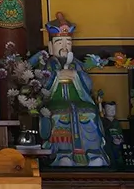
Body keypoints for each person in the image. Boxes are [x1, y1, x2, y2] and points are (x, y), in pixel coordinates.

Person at [34, 14, 108, 167]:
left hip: (78, 102)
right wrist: (56, 76)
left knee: (89, 114)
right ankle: (62, 154)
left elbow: (88, 85)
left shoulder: (77, 65)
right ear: (50, 46)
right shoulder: (48, 65)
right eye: (59, 42)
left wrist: (76, 76)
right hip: (55, 102)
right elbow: (40, 84)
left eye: (68, 42)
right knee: (60, 115)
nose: (64, 47)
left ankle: (93, 153)